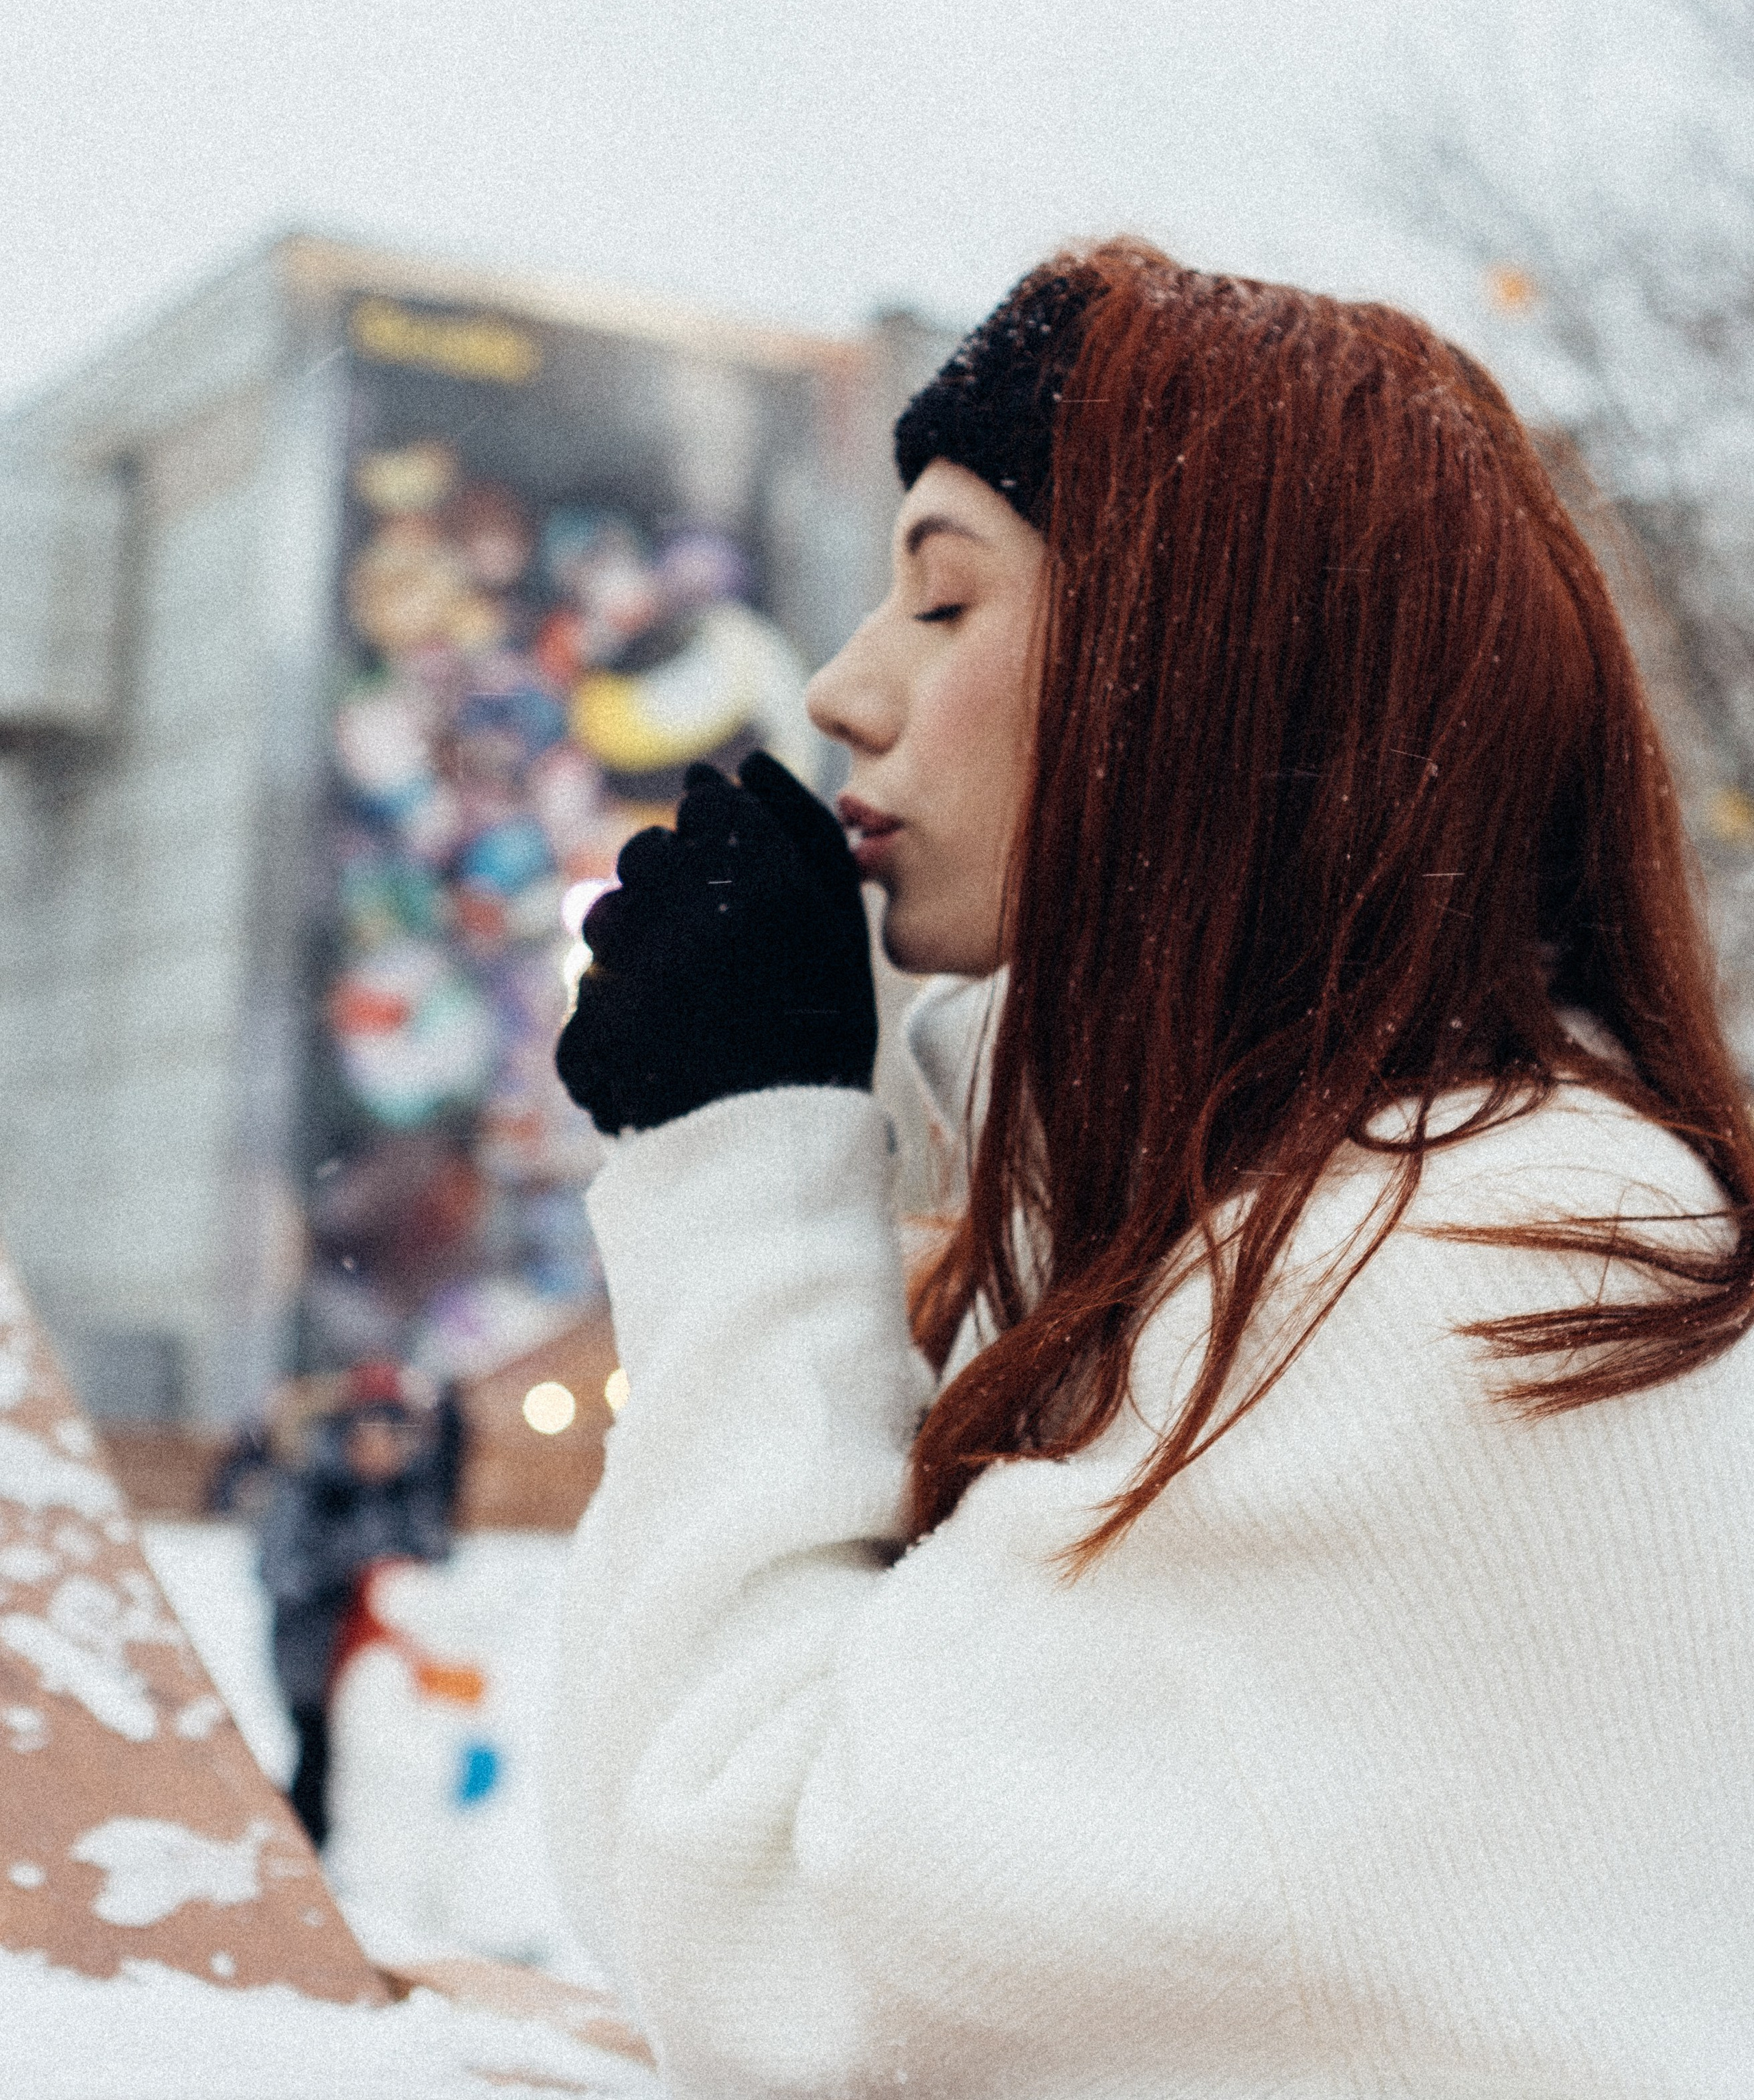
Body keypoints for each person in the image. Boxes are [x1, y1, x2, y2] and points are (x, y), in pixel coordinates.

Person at [547, 243, 1754, 2098]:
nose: (847, 691)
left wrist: (746, 1166)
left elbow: (771, 1933)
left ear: (1206, 685)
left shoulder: (1467, 1274)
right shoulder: (1275, 1221)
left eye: (946, 605)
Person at [250, 1359, 465, 1846]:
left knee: (381, 1769)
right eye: (370, 1433)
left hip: (383, 1662)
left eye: (393, 1436)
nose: (381, 1448)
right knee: (320, 1764)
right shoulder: (310, 1490)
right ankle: (305, 1855)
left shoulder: (409, 1496)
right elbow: (278, 1569)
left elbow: (435, 1561)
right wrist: (345, 1570)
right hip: (315, 1659)